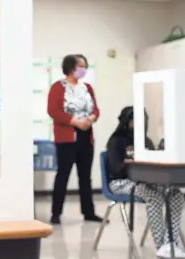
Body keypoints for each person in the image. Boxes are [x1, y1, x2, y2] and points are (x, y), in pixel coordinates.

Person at [107, 106, 185, 258]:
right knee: (154, 197)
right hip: (120, 183)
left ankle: (171, 244)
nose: (136, 125)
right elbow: (116, 169)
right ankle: (161, 246)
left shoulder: (146, 141)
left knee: (176, 196)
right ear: (126, 122)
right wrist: (131, 162)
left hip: (145, 181)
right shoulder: (116, 141)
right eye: (133, 121)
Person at [47, 54, 103, 224]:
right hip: (67, 138)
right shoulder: (58, 87)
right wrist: (74, 122)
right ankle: (56, 213)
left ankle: (89, 212)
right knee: (63, 175)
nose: (83, 70)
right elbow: (53, 111)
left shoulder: (87, 87)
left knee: (85, 177)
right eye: (81, 66)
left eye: (85, 66)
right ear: (71, 67)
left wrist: (91, 119)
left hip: (86, 137)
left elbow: (96, 109)